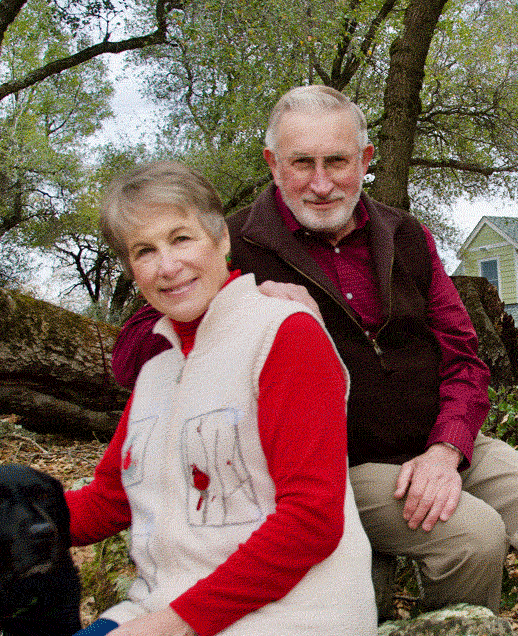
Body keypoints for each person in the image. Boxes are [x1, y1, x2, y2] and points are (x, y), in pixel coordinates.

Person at [112, 86, 518, 636]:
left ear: (364, 160)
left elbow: (464, 356)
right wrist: (236, 304)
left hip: (438, 438)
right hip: (340, 466)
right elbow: (129, 358)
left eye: (337, 161)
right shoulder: (233, 245)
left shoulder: (405, 234)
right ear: (272, 164)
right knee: (473, 534)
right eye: (301, 163)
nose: (321, 183)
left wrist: (446, 449)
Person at [66, 161, 377, 636]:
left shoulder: (283, 334)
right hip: (162, 607)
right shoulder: (157, 368)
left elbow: (311, 520)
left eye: (181, 238)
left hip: (290, 616)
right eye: (144, 251)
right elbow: (110, 500)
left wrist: (176, 623)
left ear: (222, 239)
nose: (167, 267)